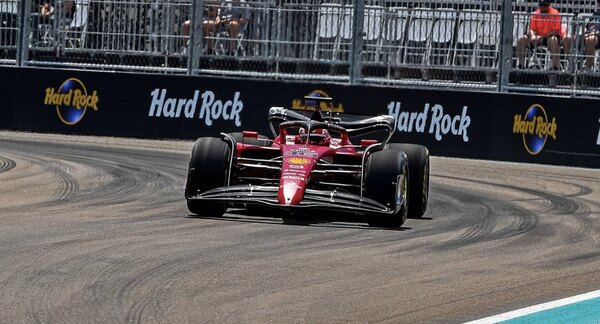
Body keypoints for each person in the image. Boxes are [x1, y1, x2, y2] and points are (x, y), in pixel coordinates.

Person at [516, 0, 572, 71]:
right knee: (521, 39)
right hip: (537, 37)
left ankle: (555, 67)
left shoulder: (555, 13)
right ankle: (520, 66)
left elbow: (556, 30)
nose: (543, 8)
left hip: (549, 37)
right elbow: (532, 29)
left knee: (553, 40)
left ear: (549, 4)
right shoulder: (536, 13)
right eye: (541, 5)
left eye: (545, 5)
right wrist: (533, 36)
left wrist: (543, 37)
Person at [583, 0, 600, 72]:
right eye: (599, 1)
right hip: (588, 35)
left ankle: (589, 67)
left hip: (597, 38)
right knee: (568, 38)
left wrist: (592, 34)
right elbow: (587, 27)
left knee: (590, 39)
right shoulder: (595, 14)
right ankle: (571, 65)